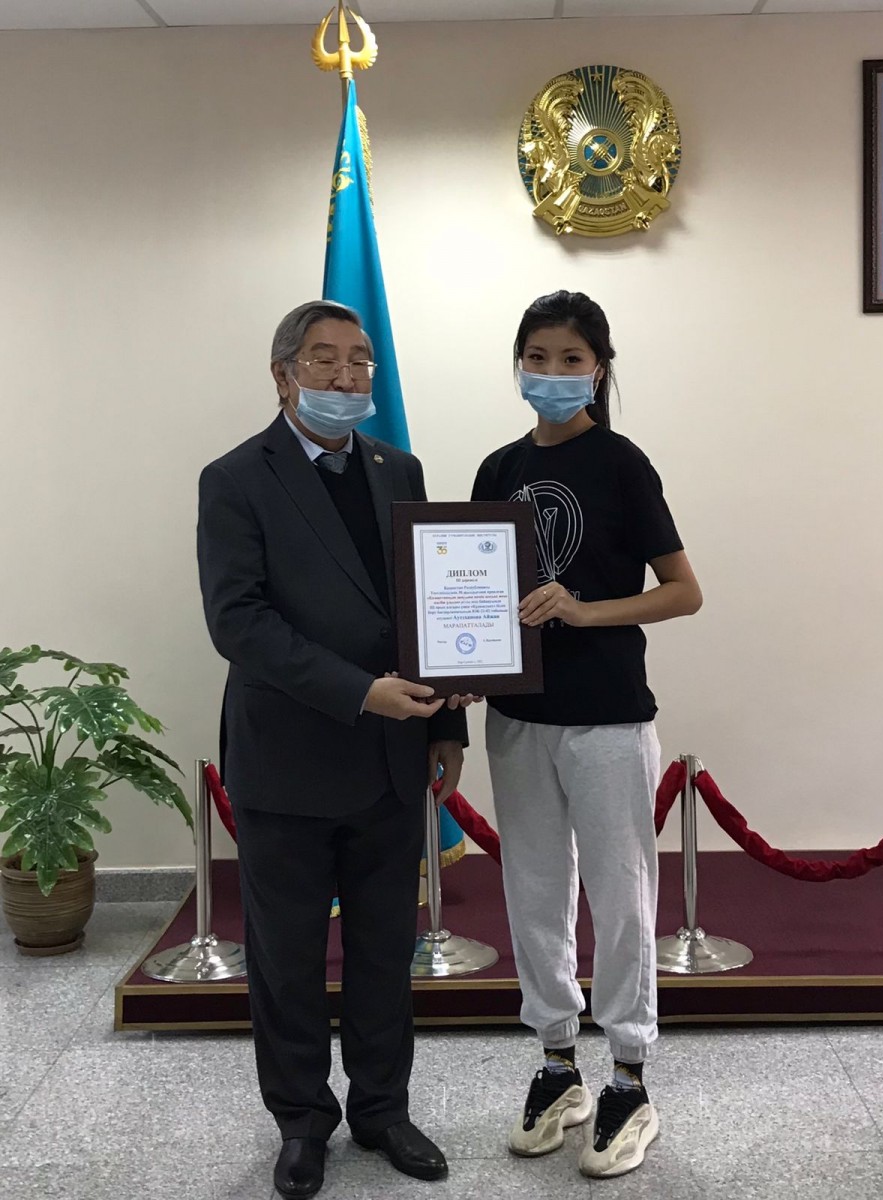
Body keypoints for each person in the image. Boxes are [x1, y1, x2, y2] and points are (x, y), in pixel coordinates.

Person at [197, 300, 470, 1199]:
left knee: (386, 951)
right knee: (287, 960)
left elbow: (431, 605)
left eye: (360, 361)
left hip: (394, 759)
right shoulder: (235, 478)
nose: (347, 377)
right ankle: (302, 1121)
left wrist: (445, 724)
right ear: (284, 376)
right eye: (324, 361)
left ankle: (383, 1111)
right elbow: (239, 622)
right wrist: (358, 691)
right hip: (288, 762)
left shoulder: (400, 468)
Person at [471, 290, 703, 1180]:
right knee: (534, 893)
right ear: (518, 365)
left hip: (608, 716)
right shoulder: (497, 468)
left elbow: (683, 591)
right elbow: (469, 588)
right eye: (537, 357)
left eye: (571, 359)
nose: (553, 373)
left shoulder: (622, 463)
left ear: (599, 369)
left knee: (621, 896)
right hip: (516, 717)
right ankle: (558, 1064)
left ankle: (630, 1078)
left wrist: (582, 609)